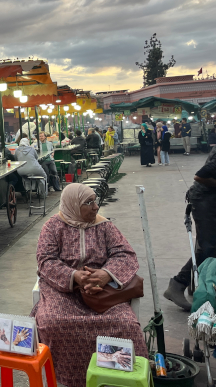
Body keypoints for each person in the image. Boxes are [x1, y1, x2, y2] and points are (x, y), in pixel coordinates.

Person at [31, 184, 147, 387]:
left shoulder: (105, 226)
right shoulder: (52, 227)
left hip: (102, 292)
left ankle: (117, 379)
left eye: (95, 200)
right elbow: (46, 261)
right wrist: (74, 276)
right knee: (53, 322)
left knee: (126, 325)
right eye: (89, 202)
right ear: (73, 205)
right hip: (63, 291)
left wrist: (105, 274)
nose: (96, 207)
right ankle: (66, 380)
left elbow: (125, 254)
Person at [164, 148, 216, 310]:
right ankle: (178, 284)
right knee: (209, 246)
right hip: (203, 199)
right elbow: (200, 175)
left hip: (209, 199)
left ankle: (197, 286)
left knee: (207, 244)